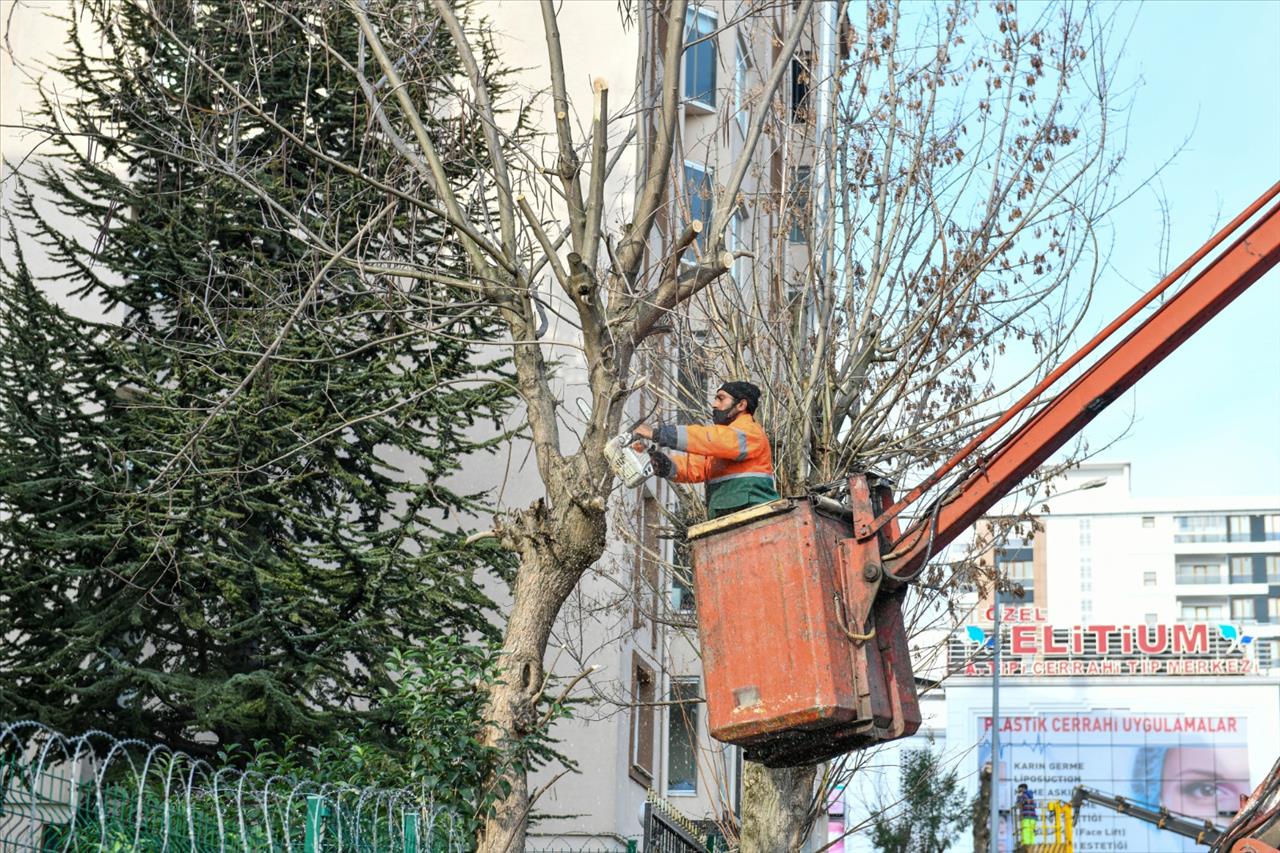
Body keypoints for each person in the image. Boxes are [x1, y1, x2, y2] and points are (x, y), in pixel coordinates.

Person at [632, 381, 779, 519]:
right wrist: (658, 461)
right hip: (735, 520)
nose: (714, 405)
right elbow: (694, 467)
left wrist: (658, 434)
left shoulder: (750, 434)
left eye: (721, 399)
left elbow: (709, 439)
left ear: (741, 404)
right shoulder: (722, 446)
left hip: (757, 517)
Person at [1016, 783, 1037, 847]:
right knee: (1032, 834)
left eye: (1019, 789)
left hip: (1026, 818)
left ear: (1022, 789)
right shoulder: (1031, 796)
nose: (1019, 791)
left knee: (1025, 833)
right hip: (1033, 818)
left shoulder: (1023, 795)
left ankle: (1026, 848)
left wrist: (1019, 796)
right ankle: (1032, 847)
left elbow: (1019, 804)